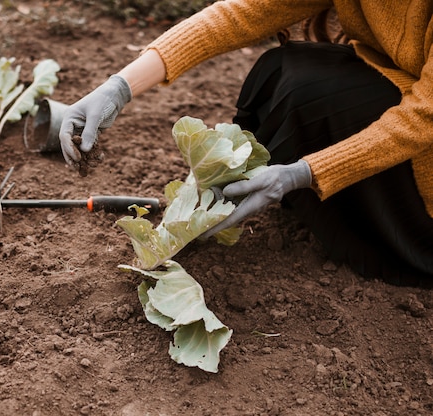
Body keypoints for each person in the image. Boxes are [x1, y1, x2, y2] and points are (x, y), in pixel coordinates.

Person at [58, 1, 433, 287]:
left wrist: (303, 173)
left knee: (315, 100)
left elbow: (424, 117)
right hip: (404, 80)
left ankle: (392, 233)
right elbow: (246, 11)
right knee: (286, 74)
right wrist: (119, 87)